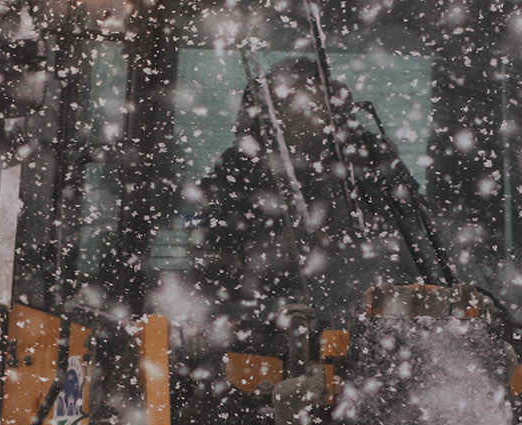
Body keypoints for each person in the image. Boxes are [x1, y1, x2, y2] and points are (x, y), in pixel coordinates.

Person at [184, 57, 432, 323]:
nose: (303, 113)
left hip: (368, 316)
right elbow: (213, 257)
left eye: (312, 102)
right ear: (269, 110)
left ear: (332, 105)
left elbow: (415, 232)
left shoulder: (369, 156)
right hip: (268, 324)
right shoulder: (241, 166)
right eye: (289, 103)